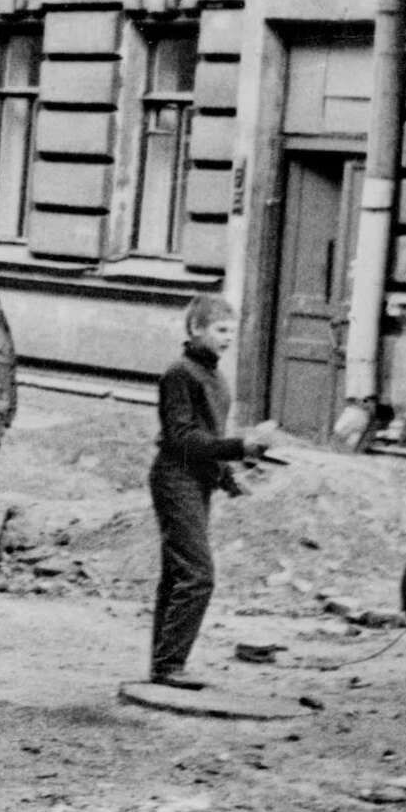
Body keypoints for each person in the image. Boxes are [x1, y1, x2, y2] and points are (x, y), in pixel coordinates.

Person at [147, 293, 280, 689]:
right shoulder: (180, 374)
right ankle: (170, 665)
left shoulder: (215, 376)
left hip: (197, 480)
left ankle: (164, 663)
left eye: (231, 332)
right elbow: (182, 437)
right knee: (197, 575)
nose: (228, 339)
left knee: (177, 574)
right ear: (195, 330)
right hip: (175, 479)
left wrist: (225, 475)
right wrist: (241, 448)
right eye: (220, 330)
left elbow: (208, 435)